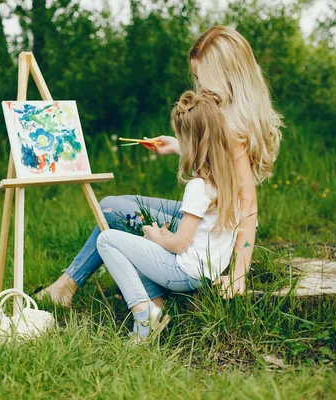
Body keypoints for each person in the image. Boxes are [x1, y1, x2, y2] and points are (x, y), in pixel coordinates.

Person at [36, 25, 282, 306]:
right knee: (115, 205)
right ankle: (72, 285)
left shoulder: (234, 127)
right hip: (211, 222)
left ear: (228, 76)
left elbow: (248, 205)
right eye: (198, 78)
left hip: (209, 232)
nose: (200, 87)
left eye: (205, 79)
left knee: (110, 208)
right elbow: (217, 162)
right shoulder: (226, 114)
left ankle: (71, 286)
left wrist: (239, 274)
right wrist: (178, 145)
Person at [97, 89, 240, 340]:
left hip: (185, 272)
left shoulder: (198, 186)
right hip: (209, 272)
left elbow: (179, 244)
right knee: (134, 249)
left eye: (180, 140)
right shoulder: (228, 180)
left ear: (191, 144)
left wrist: (157, 237)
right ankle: (155, 308)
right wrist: (163, 236)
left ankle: (142, 316)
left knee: (107, 240)